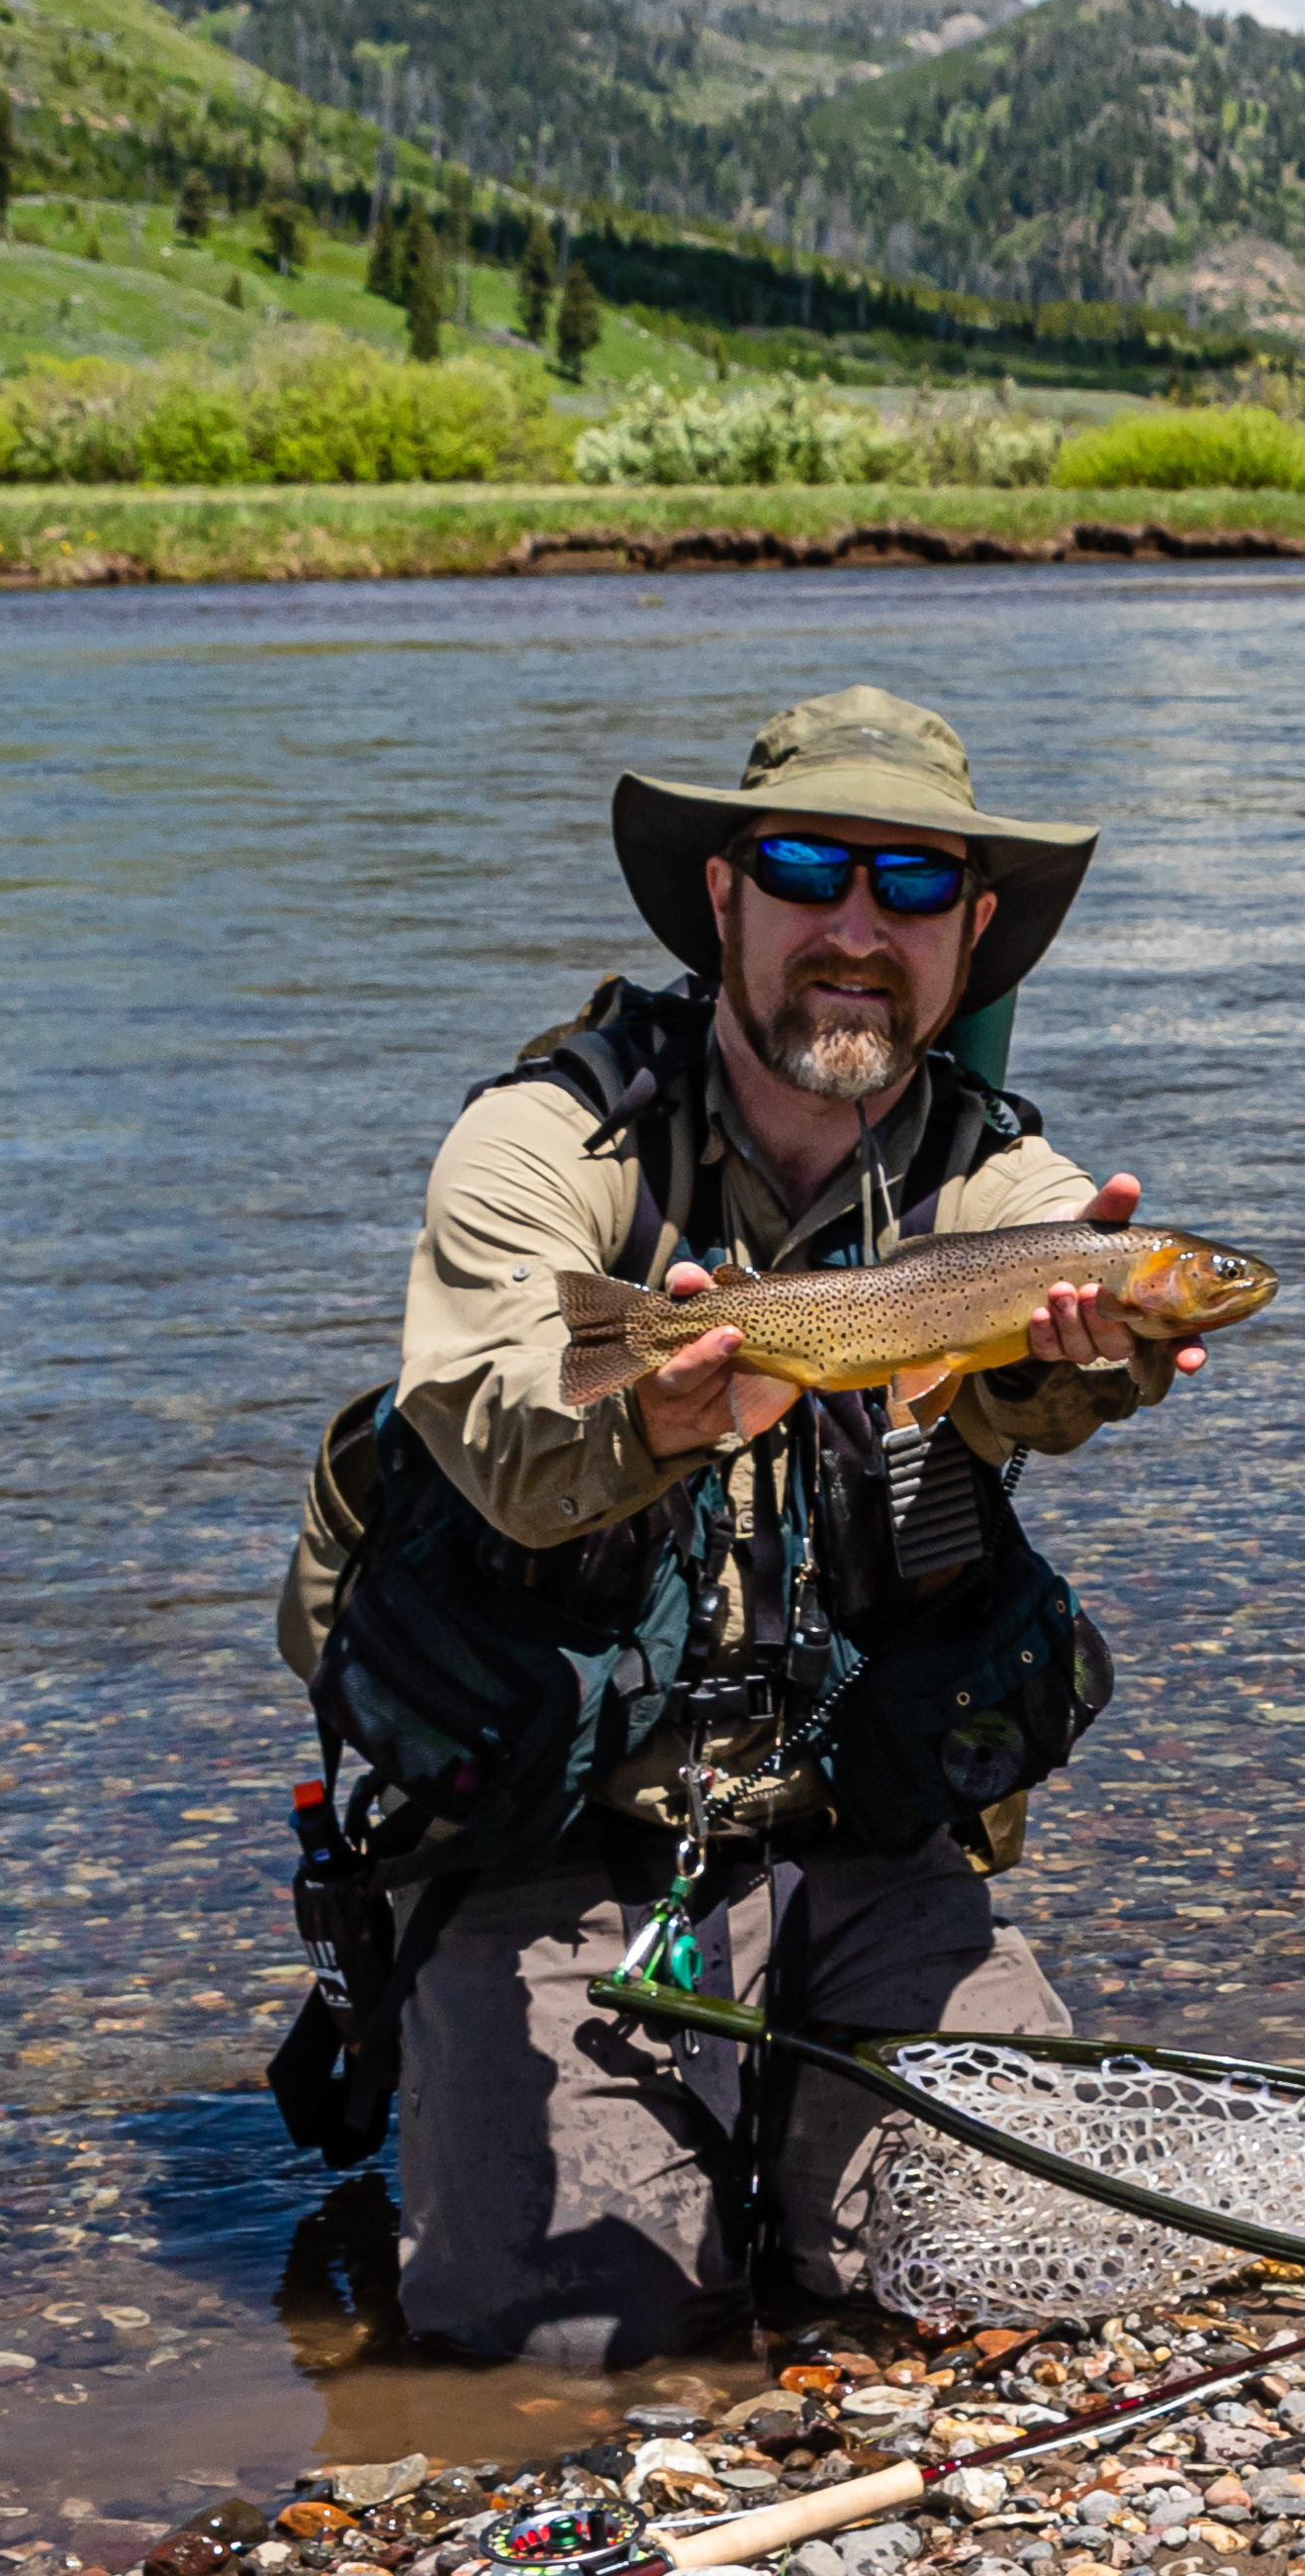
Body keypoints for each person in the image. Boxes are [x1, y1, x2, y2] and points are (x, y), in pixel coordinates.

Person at [306, 685, 1209, 2365]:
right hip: (563, 1856)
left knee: (1028, 2270)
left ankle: (797, 2151)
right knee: (567, 2354)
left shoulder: (1010, 1192)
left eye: (916, 887)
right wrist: (652, 1409)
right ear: (725, 897)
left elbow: (1028, 1341)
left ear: (972, 931)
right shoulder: (544, 1143)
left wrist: (1098, 1359)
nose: (857, 927)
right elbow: (496, 1422)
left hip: (861, 1838)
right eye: (806, 866)